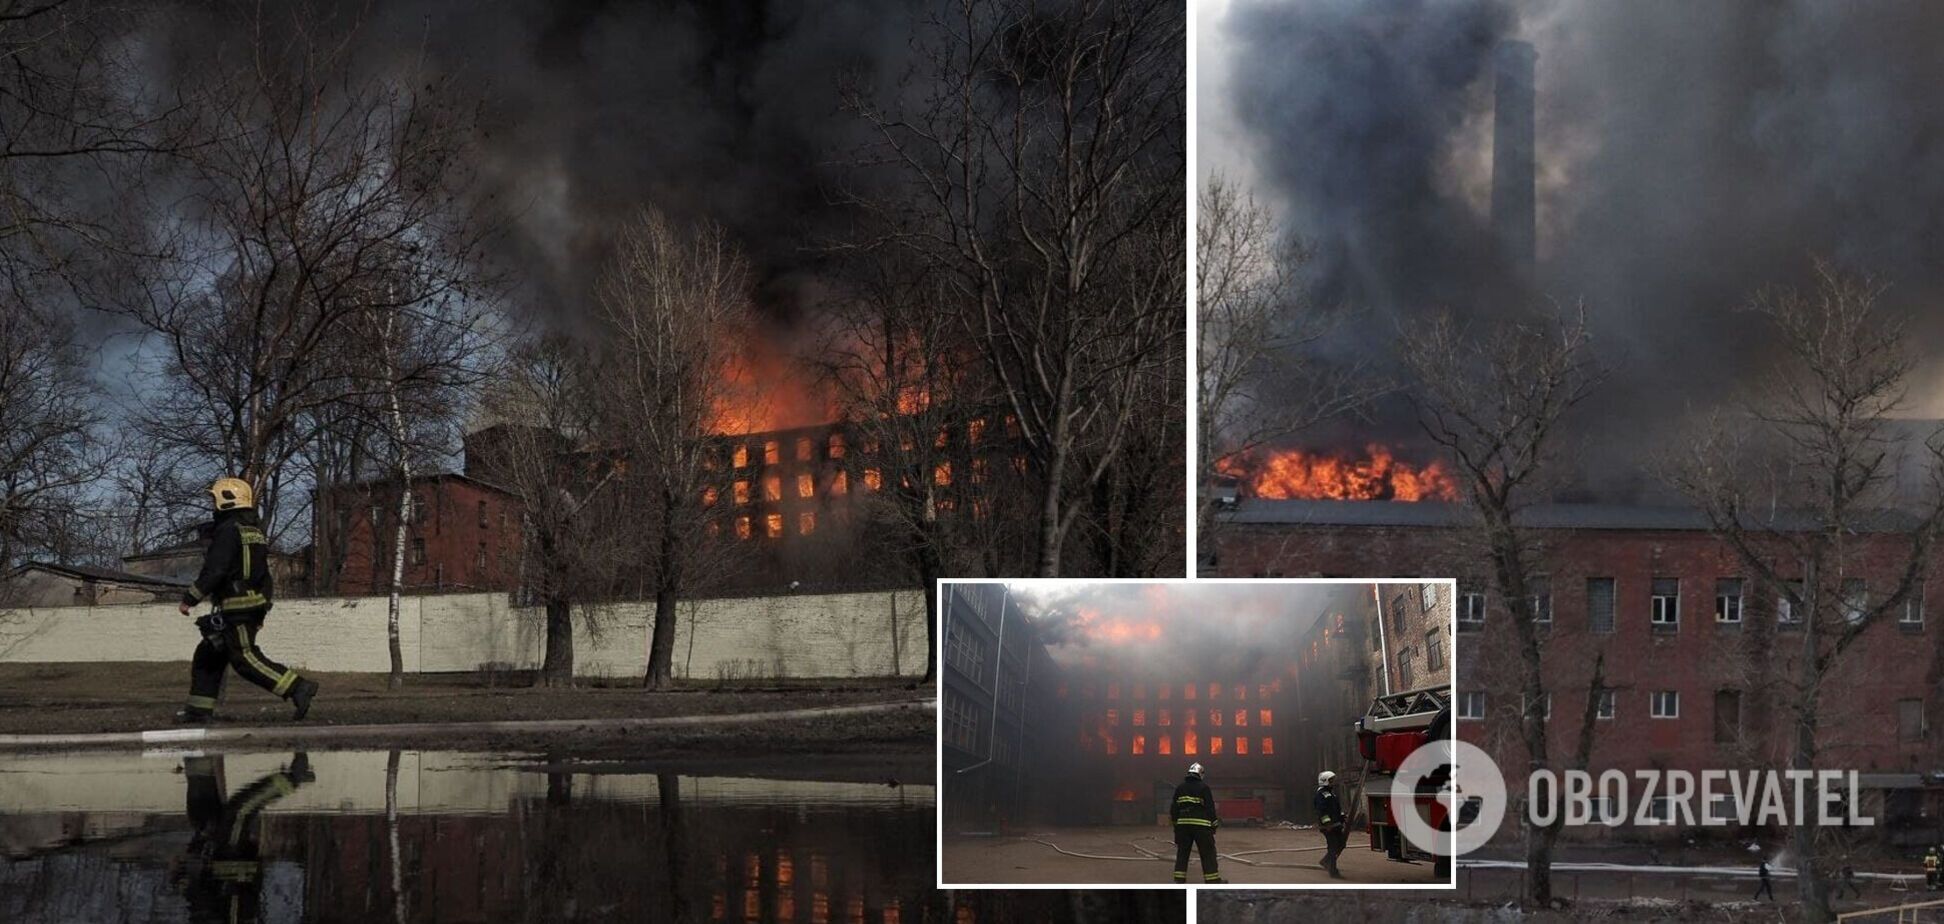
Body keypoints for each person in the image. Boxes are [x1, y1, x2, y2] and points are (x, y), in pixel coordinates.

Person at [175, 477, 319, 723]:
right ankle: (199, 710)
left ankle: (297, 687)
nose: (212, 502)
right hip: (250, 604)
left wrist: (191, 597)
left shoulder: (228, 531)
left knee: (244, 657)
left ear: (227, 500)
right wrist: (263, 608)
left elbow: (216, 569)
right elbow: (265, 575)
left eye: (215, 498)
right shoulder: (254, 532)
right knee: (208, 655)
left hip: (237, 606)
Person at [173, 752, 316, 923]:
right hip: (231, 862)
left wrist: (184, 877)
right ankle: (292, 779)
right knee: (238, 813)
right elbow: (211, 903)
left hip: (215, 860)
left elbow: (197, 902)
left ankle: (197, 753)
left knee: (203, 812)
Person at [1171, 762, 1225, 884]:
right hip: (1202, 827)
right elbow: (1210, 807)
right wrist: (1214, 824)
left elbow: (1174, 808)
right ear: (1200, 774)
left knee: (1182, 854)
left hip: (1183, 827)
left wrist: (1176, 825)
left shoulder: (1180, 788)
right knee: (1208, 853)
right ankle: (1212, 880)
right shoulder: (1204, 787)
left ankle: (1179, 879)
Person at [1315, 770, 1349, 879]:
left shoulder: (1331, 793)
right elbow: (1322, 811)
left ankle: (1325, 861)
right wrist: (1327, 823)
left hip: (1336, 825)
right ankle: (1333, 871)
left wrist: (1342, 816)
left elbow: (1336, 809)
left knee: (1341, 844)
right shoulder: (1321, 794)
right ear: (1324, 781)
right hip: (1328, 827)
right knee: (1333, 847)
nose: (1333, 782)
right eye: (1331, 780)